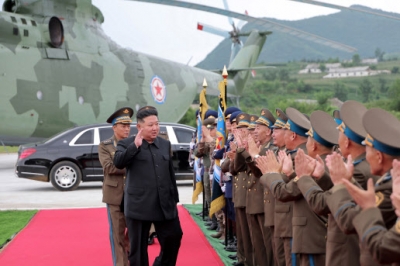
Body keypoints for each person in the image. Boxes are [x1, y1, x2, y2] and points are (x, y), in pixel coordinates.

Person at [114, 106, 183, 266]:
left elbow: (169, 173)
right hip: (139, 205)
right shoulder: (126, 144)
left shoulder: (164, 144)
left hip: (164, 204)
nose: (155, 128)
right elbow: (118, 163)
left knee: (174, 237)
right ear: (139, 127)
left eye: (157, 124)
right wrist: (135, 146)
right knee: (138, 251)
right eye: (150, 125)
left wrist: (174, 199)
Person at [99, 107, 133, 266]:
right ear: (114, 127)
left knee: (134, 233)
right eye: (123, 126)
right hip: (115, 196)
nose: (127, 129)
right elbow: (109, 168)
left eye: (128, 126)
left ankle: (131, 258)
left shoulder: (135, 143)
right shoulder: (105, 145)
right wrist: (133, 166)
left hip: (134, 195)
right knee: (117, 235)